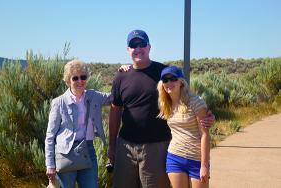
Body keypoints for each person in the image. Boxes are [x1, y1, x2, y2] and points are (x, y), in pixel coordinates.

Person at [108, 29, 214, 188]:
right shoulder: (121, 77)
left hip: (157, 147)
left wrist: (207, 115)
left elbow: (185, 96)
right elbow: (115, 111)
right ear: (128, 49)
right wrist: (112, 145)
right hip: (126, 146)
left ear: (149, 47)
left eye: (142, 44)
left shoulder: (164, 73)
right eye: (133, 45)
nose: (138, 49)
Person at [45, 59, 111, 188]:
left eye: (83, 77)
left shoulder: (94, 96)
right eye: (75, 78)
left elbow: (115, 97)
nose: (80, 81)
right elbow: (50, 136)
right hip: (65, 154)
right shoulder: (59, 102)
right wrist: (50, 165)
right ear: (68, 80)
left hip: (88, 150)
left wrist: (124, 73)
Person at [157, 66, 210, 188]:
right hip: (175, 156)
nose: (169, 83)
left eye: (173, 79)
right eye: (165, 80)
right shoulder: (166, 104)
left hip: (196, 159)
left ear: (181, 82)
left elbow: (205, 134)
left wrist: (204, 165)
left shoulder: (195, 102)